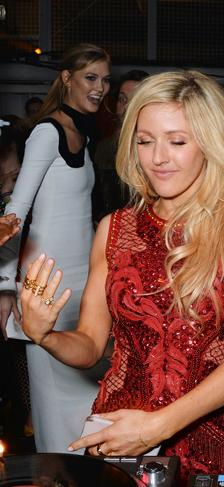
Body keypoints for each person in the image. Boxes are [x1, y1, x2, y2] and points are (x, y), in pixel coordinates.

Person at [18, 70, 224, 482]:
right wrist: (45, 335)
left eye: (177, 141)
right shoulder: (115, 228)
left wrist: (158, 425)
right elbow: (89, 345)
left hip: (213, 441)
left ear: (210, 144)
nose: (158, 157)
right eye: (145, 141)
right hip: (120, 434)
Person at [0, 43, 111, 454]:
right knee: (53, 405)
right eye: (91, 77)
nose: (101, 87)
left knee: (86, 394)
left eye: (105, 79)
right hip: (46, 284)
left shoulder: (82, 132)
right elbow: (15, 215)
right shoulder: (47, 132)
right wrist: (6, 288)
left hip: (83, 283)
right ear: (67, 78)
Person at [93, 69, 150, 220]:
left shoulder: (155, 149)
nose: (125, 108)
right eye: (122, 99)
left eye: (134, 101)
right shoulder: (104, 147)